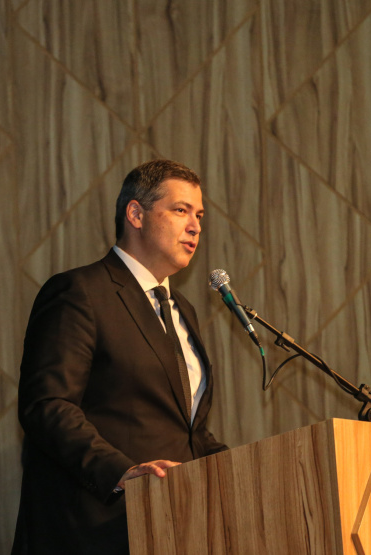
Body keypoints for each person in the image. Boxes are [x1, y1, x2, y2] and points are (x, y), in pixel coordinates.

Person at [12, 159, 228, 554]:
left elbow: (185, 432)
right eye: (180, 210)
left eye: (199, 215)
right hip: (94, 528)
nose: (195, 225)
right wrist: (122, 472)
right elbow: (47, 405)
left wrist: (240, 471)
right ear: (136, 214)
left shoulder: (183, 309)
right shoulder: (80, 292)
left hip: (172, 528)